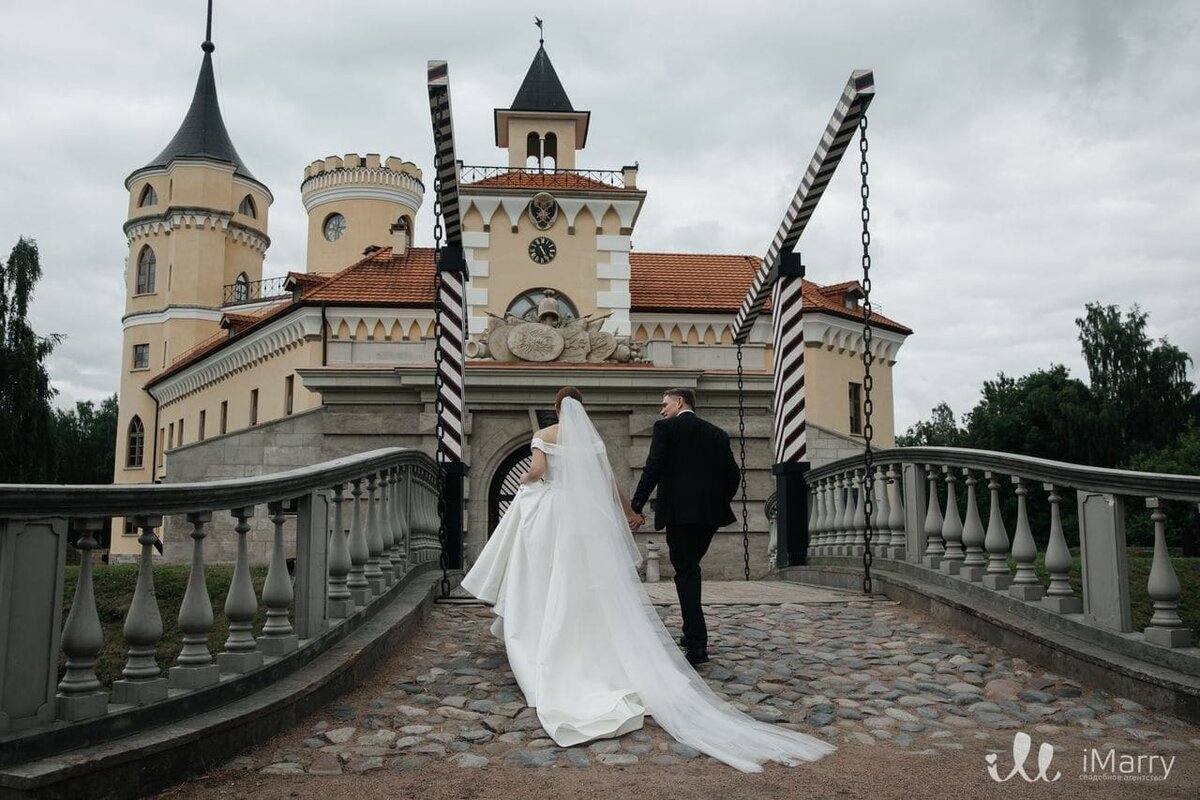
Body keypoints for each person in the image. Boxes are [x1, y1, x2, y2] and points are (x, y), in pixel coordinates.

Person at [461, 387, 834, 772]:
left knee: (545, 577)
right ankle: (666, 640)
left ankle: (546, 635)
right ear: (581, 410)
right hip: (615, 521)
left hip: (559, 516)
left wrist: (527, 482)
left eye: (665, 402)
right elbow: (616, 484)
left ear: (556, 409)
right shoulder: (600, 439)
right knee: (593, 581)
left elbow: (544, 471)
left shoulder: (547, 435)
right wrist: (631, 512)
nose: (662, 407)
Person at [629, 388, 740, 666]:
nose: (661, 410)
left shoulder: (666, 429)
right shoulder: (717, 433)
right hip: (709, 517)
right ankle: (691, 634)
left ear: (679, 402)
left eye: (664, 404)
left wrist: (636, 505)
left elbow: (653, 467)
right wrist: (716, 503)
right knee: (690, 568)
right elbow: (733, 476)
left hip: (679, 515)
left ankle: (697, 644)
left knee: (687, 572)